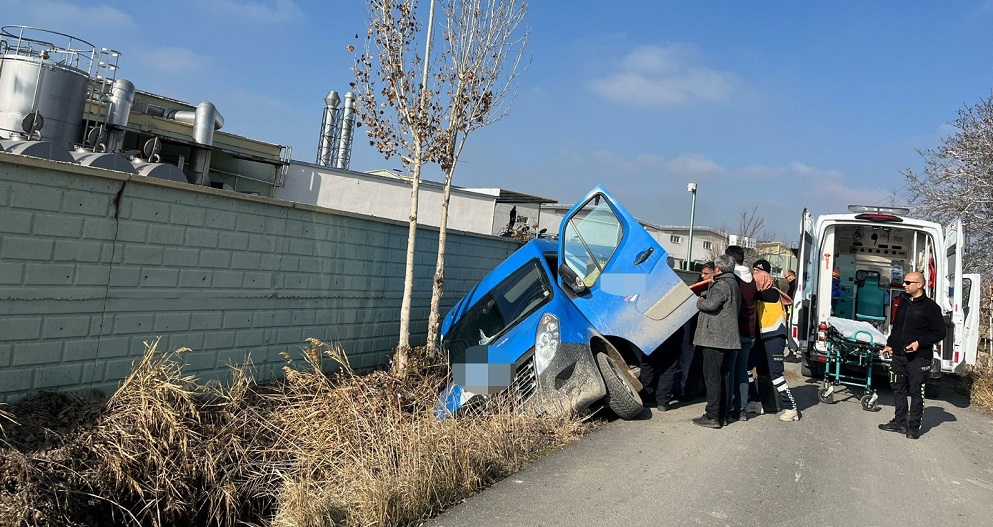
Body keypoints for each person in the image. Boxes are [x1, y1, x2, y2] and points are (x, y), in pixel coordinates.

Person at [878, 271, 947, 439]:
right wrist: (890, 344)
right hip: (899, 356)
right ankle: (899, 422)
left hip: (919, 358)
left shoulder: (931, 307)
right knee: (898, 388)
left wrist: (919, 343)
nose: (904, 285)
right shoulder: (903, 302)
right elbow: (897, 327)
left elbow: (940, 332)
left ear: (919, 285)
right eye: (904, 282)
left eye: (908, 282)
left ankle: (913, 427)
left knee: (916, 391)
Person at [692, 254, 741, 429]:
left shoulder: (721, 284)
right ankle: (723, 414)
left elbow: (710, 305)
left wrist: (700, 301)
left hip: (715, 338)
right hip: (727, 339)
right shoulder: (734, 283)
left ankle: (712, 416)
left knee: (712, 378)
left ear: (718, 269)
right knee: (724, 377)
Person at [750, 262, 800, 421]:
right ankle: (756, 401)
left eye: (758, 273)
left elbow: (756, 294)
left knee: (776, 374)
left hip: (774, 338)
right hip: (762, 338)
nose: (755, 277)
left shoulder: (771, 293)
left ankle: (791, 408)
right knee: (746, 367)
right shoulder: (762, 292)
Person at [724, 245, 757, 423]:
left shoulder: (732, 279)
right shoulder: (751, 279)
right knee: (743, 370)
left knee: (730, 371)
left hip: (734, 331)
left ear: (729, 260)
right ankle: (742, 409)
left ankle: (729, 409)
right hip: (749, 331)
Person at [676, 261, 714, 402]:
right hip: (693, 332)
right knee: (690, 363)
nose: (702, 276)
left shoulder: (717, 289)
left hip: (707, 333)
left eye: (706, 273)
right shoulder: (698, 288)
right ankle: (688, 389)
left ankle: (698, 389)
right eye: (702, 273)